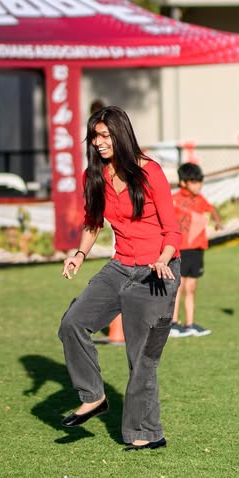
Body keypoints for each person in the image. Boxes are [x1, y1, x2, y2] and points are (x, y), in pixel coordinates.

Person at [58, 105, 181, 451]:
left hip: (159, 271)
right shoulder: (93, 175)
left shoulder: (149, 172)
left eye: (105, 135)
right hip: (120, 266)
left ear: (121, 135)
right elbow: (93, 221)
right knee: (73, 323)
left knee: (141, 356)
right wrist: (79, 254)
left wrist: (162, 258)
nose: (98, 143)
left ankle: (146, 433)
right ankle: (93, 397)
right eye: (94, 136)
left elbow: (173, 229)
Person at [170, 162, 222, 338]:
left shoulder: (200, 200)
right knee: (178, 286)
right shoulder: (174, 200)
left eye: (200, 182)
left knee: (191, 288)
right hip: (180, 249)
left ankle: (190, 323)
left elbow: (212, 209)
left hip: (197, 249)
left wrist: (218, 222)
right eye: (194, 182)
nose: (198, 186)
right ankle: (173, 323)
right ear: (183, 182)